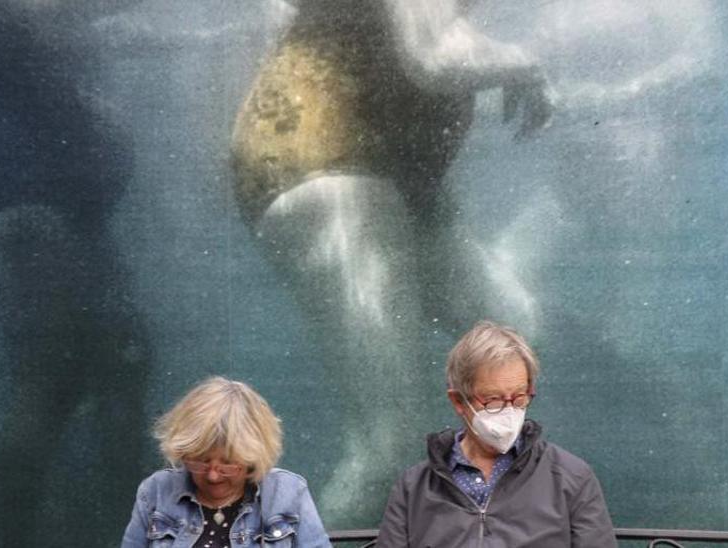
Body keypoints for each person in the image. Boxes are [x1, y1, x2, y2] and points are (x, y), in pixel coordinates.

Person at [230, 0, 552, 519]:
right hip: (329, 171)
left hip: (391, 176)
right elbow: (433, 59)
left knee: (515, 327)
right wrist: (525, 65)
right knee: (387, 447)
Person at [0, 1, 150, 545]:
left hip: (37, 209)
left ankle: (114, 529)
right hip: (35, 207)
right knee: (55, 381)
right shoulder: (1, 27)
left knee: (106, 369)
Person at [377, 321, 618, 547]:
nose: (509, 411)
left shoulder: (571, 478)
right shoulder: (413, 488)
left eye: (519, 398)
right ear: (458, 400)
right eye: (492, 401)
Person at [122, 377, 331, 548]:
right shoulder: (155, 492)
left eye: (228, 464)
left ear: (253, 458)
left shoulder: (288, 494)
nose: (213, 475)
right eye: (201, 462)